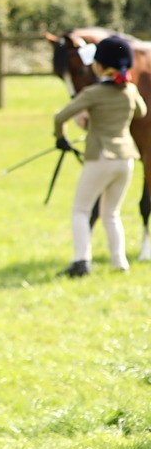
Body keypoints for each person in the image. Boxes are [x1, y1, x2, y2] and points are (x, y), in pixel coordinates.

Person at [53, 35, 147, 276]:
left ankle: (81, 260)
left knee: (80, 210)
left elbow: (60, 116)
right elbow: (141, 112)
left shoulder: (93, 93)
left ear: (98, 66)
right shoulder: (130, 90)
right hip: (126, 159)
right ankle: (119, 261)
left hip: (101, 157)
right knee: (112, 213)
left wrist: (61, 137)